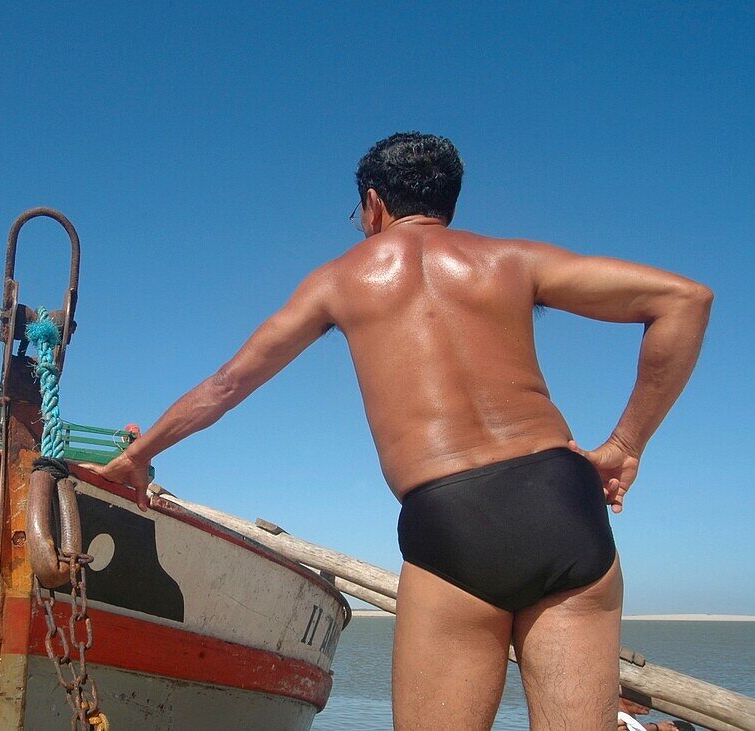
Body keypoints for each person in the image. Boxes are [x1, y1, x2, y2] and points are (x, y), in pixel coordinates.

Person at [88, 132, 712, 727]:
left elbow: (226, 386)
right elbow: (685, 299)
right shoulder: (514, 260)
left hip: (452, 513)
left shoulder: (339, 279)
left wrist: (136, 458)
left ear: (373, 203)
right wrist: (625, 446)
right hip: (561, 498)